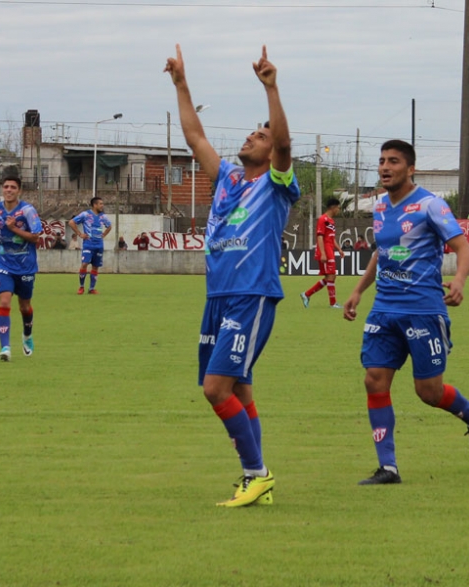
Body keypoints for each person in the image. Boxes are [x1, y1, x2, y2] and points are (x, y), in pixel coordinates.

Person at [166, 44, 300, 507]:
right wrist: (181, 83)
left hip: (251, 295)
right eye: (251, 133)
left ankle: (256, 472)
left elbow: (283, 145)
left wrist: (272, 90)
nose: (252, 137)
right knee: (239, 388)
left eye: (258, 135)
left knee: (215, 388)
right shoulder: (226, 178)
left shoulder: (277, 182)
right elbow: (194, 136)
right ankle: (257, 479)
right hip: (218, 295)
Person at [343, 139, 469, 486]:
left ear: (410, 169)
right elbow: (382, 251)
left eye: (393, 161)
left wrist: (459, 280)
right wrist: (358, 290)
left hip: (423, 310)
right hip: (384, 309)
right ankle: (388, 468)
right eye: (381, 161)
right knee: (373, 380)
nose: (385, 167)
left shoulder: (430, 205)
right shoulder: (380, 207)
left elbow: (463, 248)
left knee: (428, 392)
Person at [0, 174, 42, 361]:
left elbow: (35, 236)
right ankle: (5, 348)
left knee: (25, 307)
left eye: (13, 187)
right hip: (2, 263)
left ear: (19, 191)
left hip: (25, 265)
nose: (9, 190)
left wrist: (14, 229)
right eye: (6, 186)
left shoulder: (27, 210)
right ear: (2, 189)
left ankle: (27, 334)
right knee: (4, 301)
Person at [301, 197, 345, 309]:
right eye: (338, 208)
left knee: (331, 276)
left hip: (330, 250)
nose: (338, 210)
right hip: (325, 250)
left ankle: (306, 294)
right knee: (331, 275)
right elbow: (320, 237)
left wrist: (339, 249)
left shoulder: (331, 221)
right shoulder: (323, 219)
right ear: (333, 207)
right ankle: (333, 303)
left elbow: (331, 237)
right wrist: (323, 253)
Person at [69, 197, 112, 295]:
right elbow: (71, 222)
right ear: (95, 205)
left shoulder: (103, 216)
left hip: (99, 245)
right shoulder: (85, 214)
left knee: (95, 267)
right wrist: (80, 234)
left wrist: (104, 234)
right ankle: (81, 287)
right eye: (100, 204)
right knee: (84, 264)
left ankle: (91, 288)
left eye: (102, 203)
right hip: (88, 244)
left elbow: (109, 226)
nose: (102, 205)